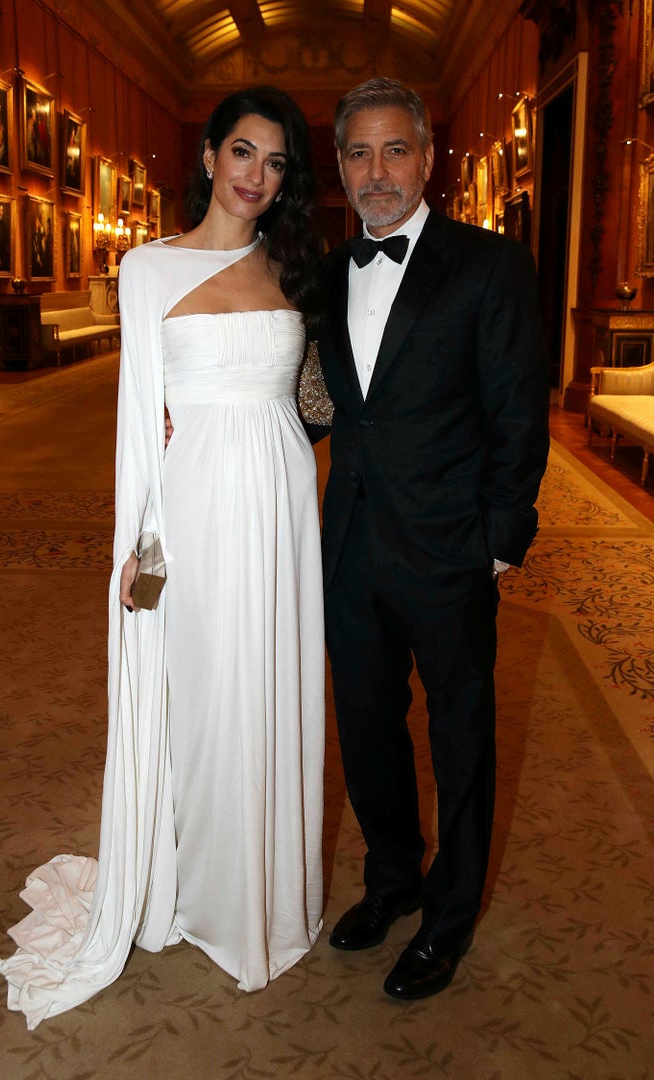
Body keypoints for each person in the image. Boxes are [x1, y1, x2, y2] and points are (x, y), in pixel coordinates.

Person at [0, 85, 326, 1029]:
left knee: (272, 686)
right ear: (211, 155)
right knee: (208, 693)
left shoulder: (291, 262)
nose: (258, 176)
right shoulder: (146, 270)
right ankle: (204, 888)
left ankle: (267, 889)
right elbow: (140, 424)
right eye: (244, 153)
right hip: (197, 503)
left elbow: (313, 398)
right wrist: (138, 548)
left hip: (284, 501)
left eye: (276, 163)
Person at [315, 77, 550, 1000]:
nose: (378, 172)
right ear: (338, 168)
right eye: (360, 154)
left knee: (460, 738)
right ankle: (393, 879)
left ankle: (450, 918)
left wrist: (498, 539)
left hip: (452, 549)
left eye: (395, 150)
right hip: (353, 549)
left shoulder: (490, 266)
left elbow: (517, 412)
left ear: (428, 157)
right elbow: (321, 406)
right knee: (368, 728)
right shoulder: (327, 274)